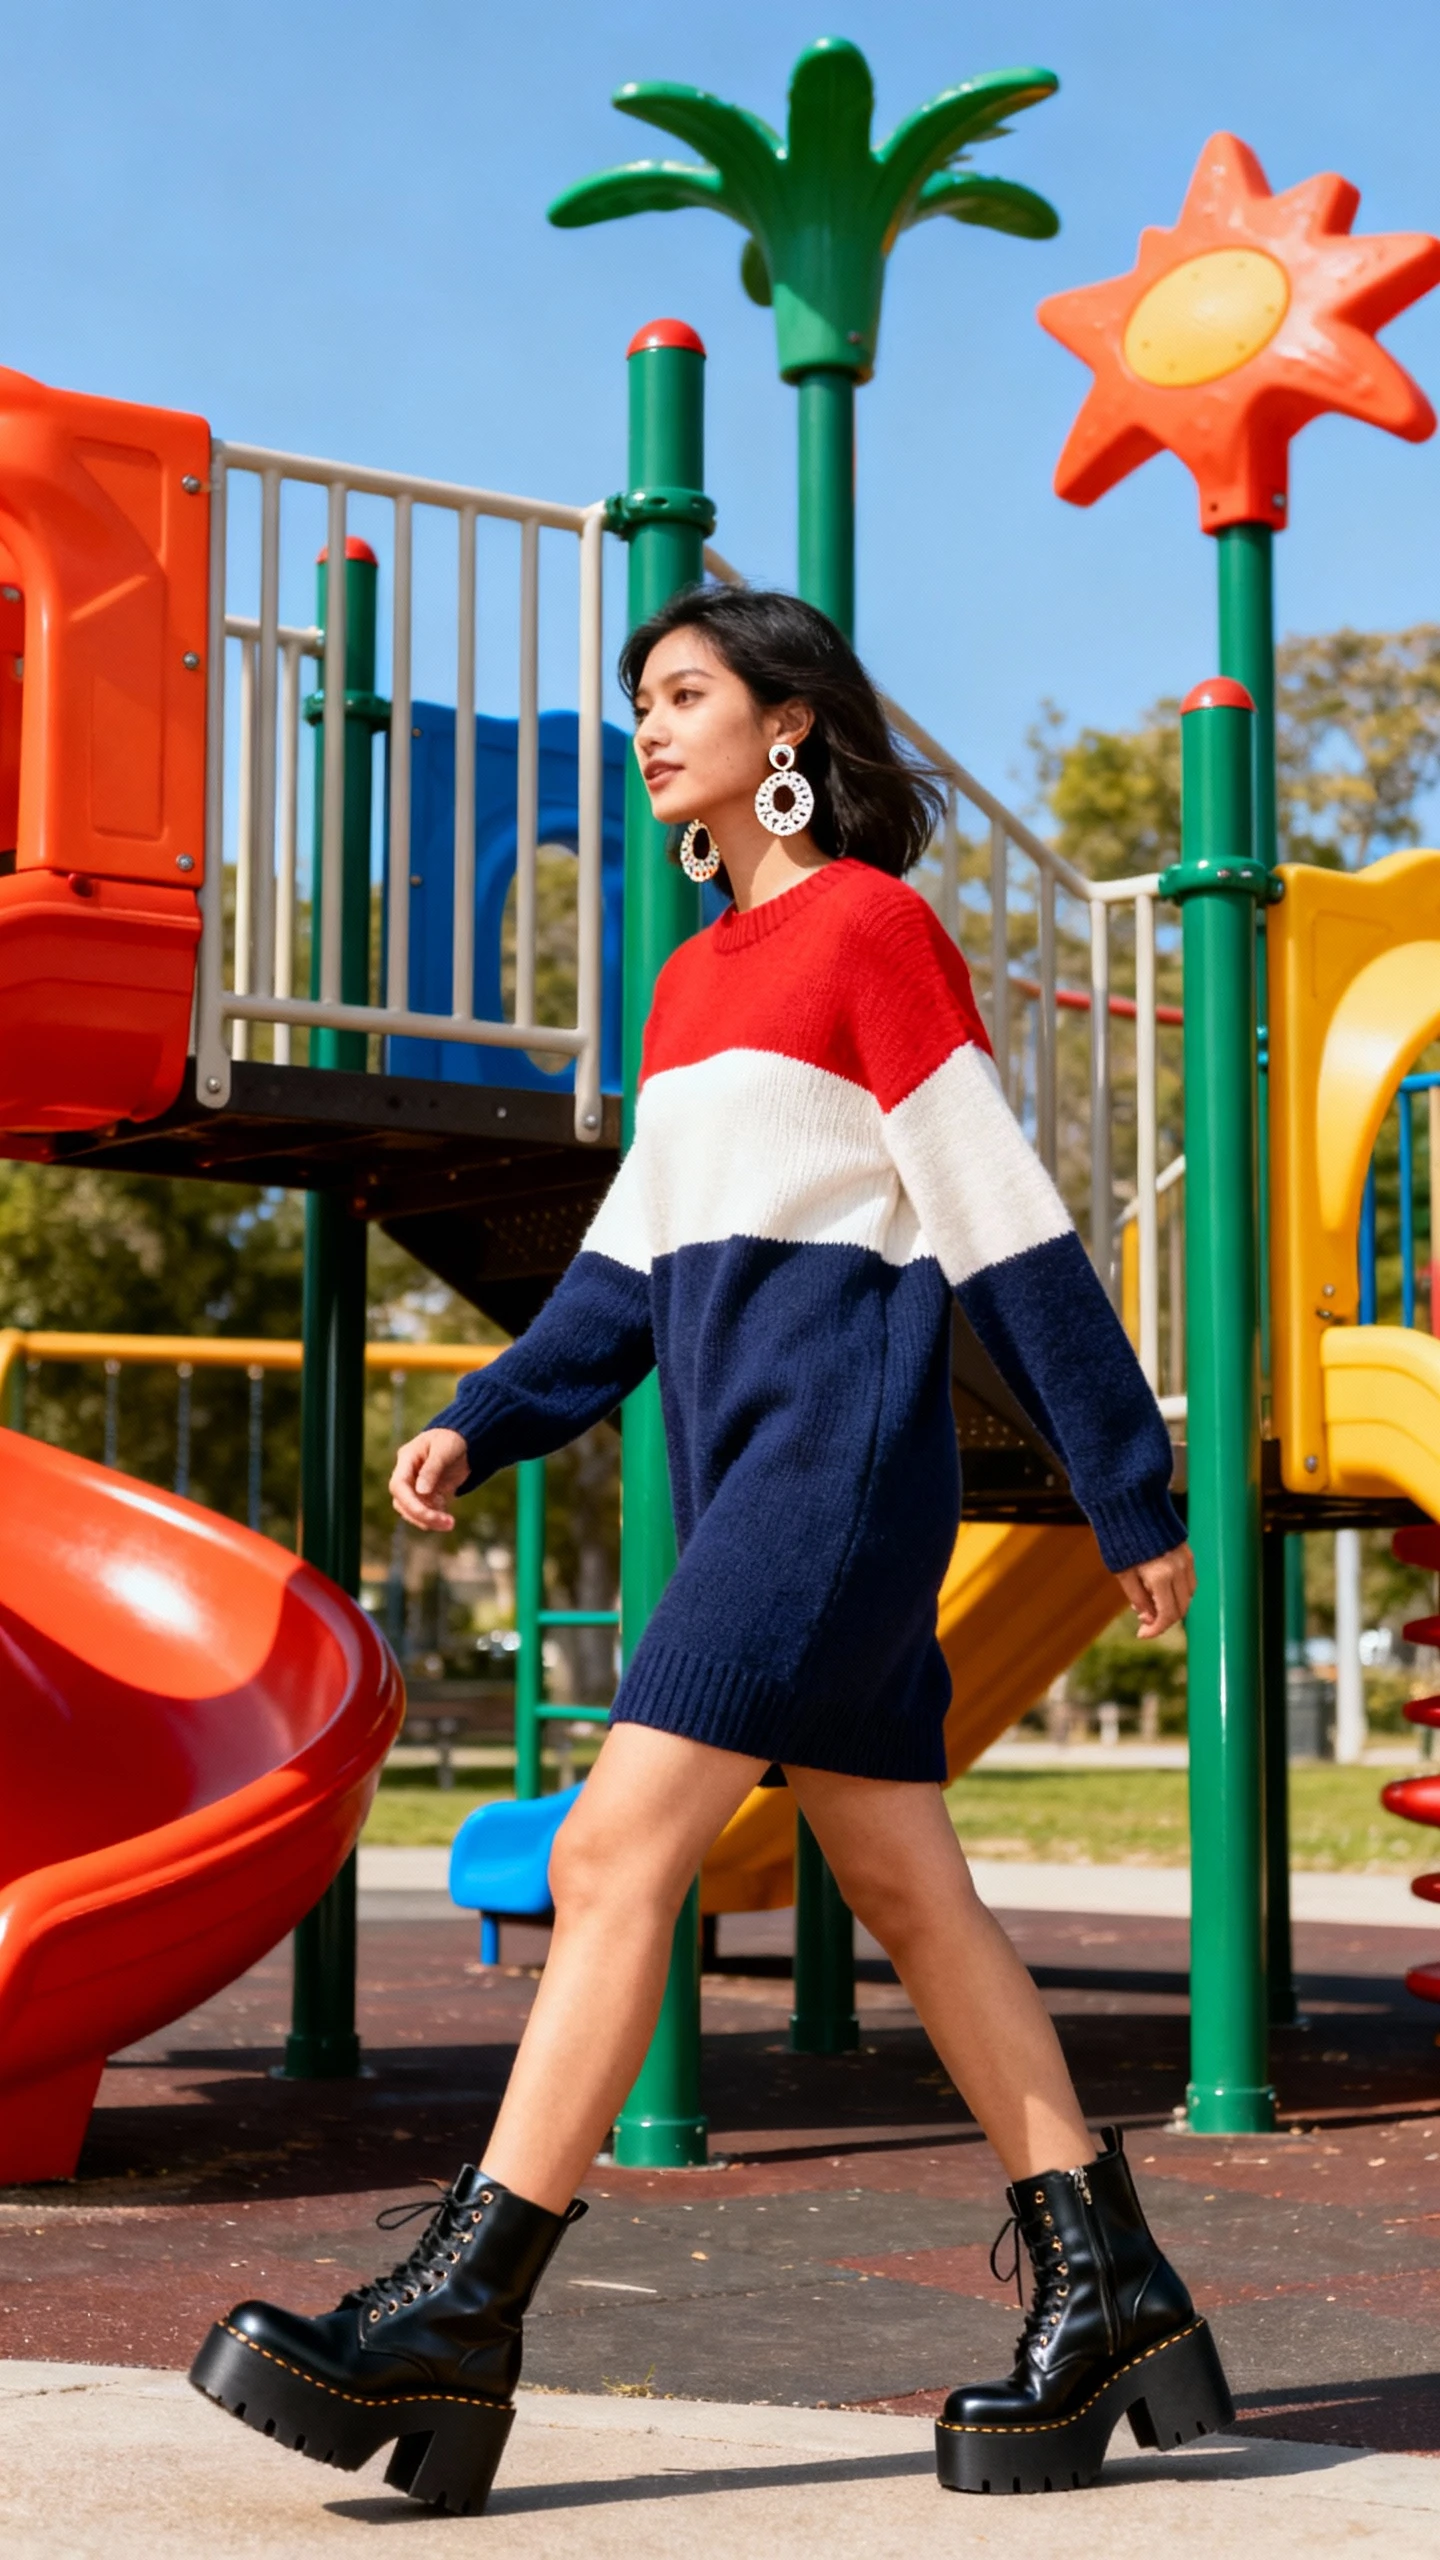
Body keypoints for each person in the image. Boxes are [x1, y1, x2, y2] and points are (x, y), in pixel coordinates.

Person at [191, 586, 1232, 2510]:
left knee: (609, 1852)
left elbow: (1004, 1223)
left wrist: (1124, 1481)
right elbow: (625, 1277)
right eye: (639, 700)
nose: (649, 727)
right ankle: (1117, 2293)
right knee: (913, 1895)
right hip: (754, 1462)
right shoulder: (691, 983)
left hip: (832, 1477)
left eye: (681, 695)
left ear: (786, 730)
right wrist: (489, 1413)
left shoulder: (873, 931)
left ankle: (459, 2314)